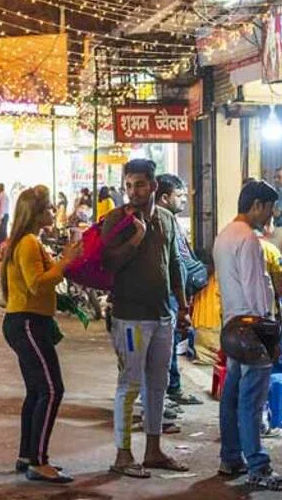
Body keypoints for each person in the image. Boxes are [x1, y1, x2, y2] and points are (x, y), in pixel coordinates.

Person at [101, 159, 189, 479]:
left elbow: (174, 264)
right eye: (128, 185)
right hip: (130, 317)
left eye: (139, 184)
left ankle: (154, 450)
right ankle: (123, 454)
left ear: (153, 186)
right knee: (130, 384)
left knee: (158, 384)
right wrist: (136, 239)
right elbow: (108, 262)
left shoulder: (167, 218)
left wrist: (183, 307)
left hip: (163, 315)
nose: (133, 191)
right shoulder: (116, 219)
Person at [215, 180, 282, 490]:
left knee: (232, 396)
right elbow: (256, 292)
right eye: (270, 209)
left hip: (232, 326)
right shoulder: (247, 239)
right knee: (251, 399)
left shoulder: (225, 235)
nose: (271, 216)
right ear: (257, 205)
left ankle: (230, 458)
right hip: (252, 330)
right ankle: (258, 466)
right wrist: (270, 335)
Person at [1, 185, 82, 483]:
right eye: (48, 207)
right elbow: (36, 283)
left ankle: (27, 455)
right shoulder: (28, 244)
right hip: (27, 323)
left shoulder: (30, 241)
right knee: (51, 390)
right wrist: (66, 261)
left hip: (28, 322)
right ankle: (38, 461)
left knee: (37, 391)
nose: (53, 211)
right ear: (36, 213)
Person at [155, 174, 204, 408]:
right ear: (164, 198)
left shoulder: (171, 220)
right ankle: (166, 393)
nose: (184, 200)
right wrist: (182, 301)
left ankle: (171, 389)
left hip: (174, 293)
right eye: (180, 195)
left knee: (171, 343)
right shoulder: (161, 222)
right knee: (166, 345)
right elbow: (176, 263)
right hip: (169, 293)